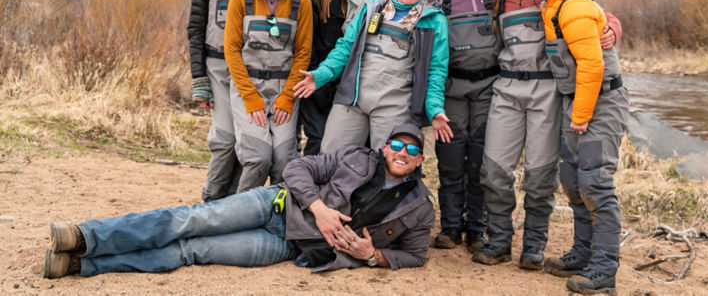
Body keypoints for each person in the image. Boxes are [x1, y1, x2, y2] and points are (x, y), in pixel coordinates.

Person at [43, 125, 435, 278]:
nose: (403, 152)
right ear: (385, 148)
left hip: (288, 246)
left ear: (420, 160)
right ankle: (85, 236)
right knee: (190, 220)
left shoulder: (420, 206)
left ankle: (81, 263)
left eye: (412, 149)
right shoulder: (355, 157)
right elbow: (297, 168)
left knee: (192, 251)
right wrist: (318, 209)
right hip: (276, 205)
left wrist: (372, 256)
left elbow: (415, 255)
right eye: (397, 145)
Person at [474, 0, 621, 270]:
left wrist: (614, 27)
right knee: (494, 170)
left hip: (547, 91)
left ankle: (534, 246)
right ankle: (499, 241)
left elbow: (599, 15)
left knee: (540, 174)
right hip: (506, 88)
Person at [528, 0, 629, 295]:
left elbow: (592, 65)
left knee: (595, 183)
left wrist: (582, 116)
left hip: (600, 103)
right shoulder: (553, 4)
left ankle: (604, 270)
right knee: (572, 180)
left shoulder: (573, 6)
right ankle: (583, 253)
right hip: (576, 101)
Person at [294, 0, 453, 153]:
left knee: (390, 162)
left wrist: (434, 109)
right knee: (331, 156)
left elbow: (436, 70)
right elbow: (345, 46)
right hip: (353, 99)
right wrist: (321, 75)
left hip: (396, 105)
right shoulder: (372, 7)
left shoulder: (433, 20)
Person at [223, 0, 313, 192]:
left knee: (284, 160)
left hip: (284, 90)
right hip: (248, 88)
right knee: (258, 158)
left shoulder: (302, 2)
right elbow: (232, 51)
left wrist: (287, 98)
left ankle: (277, 212)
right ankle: (240, 210)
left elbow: (303, 54)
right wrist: (250, 97)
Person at [431, 0, 500, 253]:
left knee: (480, 161)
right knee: (451, 160)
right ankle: (450, 227)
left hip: (489, 89)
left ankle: (477, 229)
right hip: (451, 90)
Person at [187, 0, 260, 202]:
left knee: (246, 140)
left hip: (251, 68)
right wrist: (199, 79)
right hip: (217, 69)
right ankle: (212, 199)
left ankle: (233, 204)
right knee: (225, 139)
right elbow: (195, 32)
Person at [296, 0, 359, 155]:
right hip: (312, 75)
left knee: (341, 142)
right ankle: (308, 178)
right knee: (318, 137)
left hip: (344, 79)